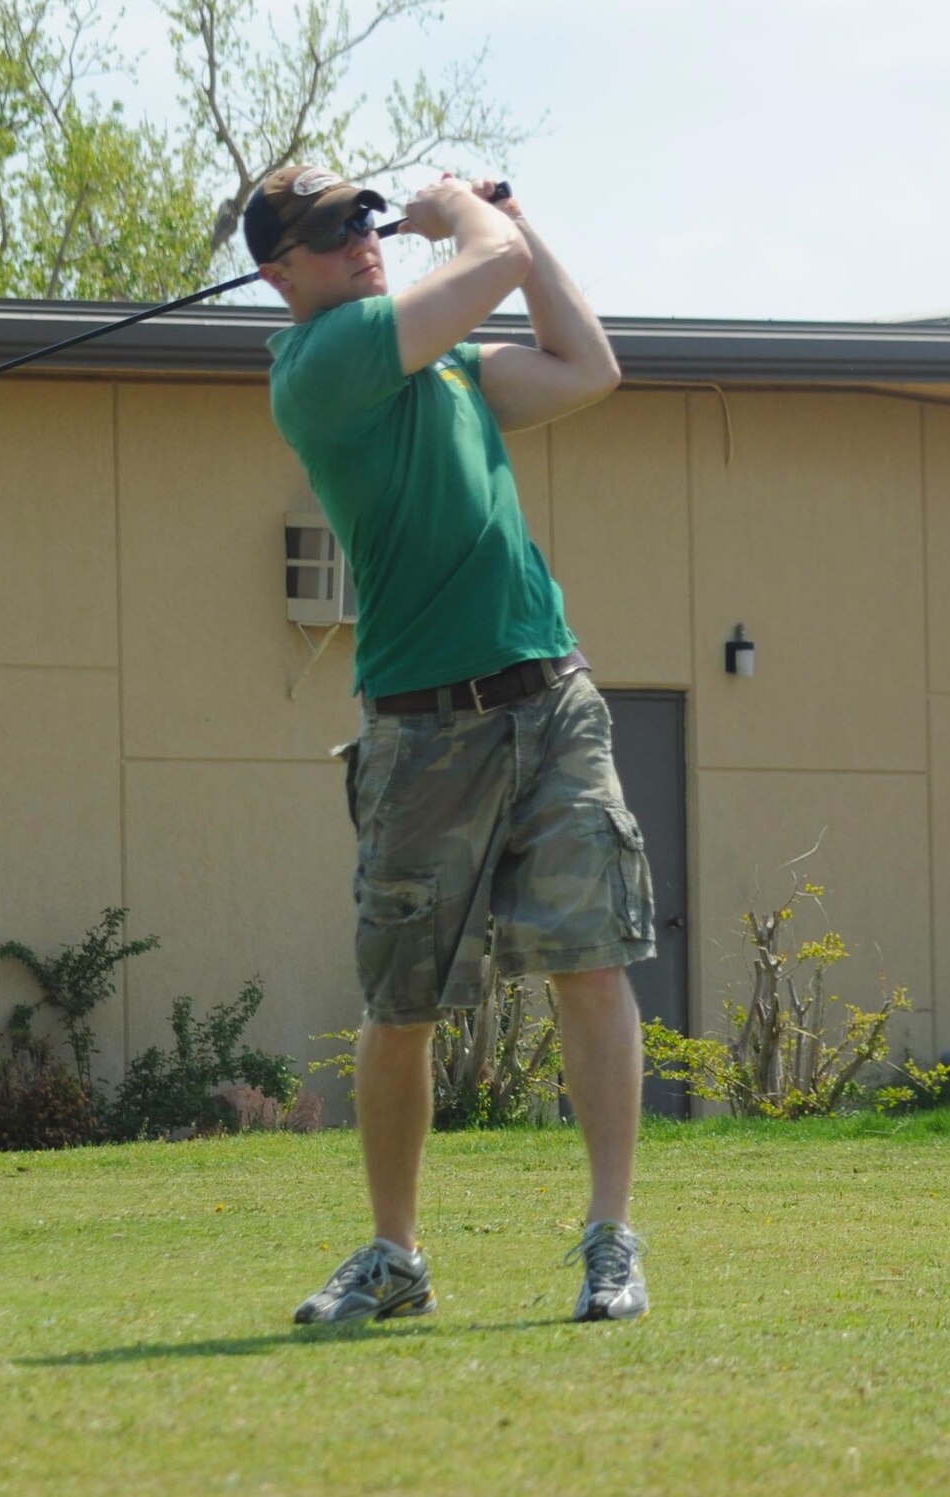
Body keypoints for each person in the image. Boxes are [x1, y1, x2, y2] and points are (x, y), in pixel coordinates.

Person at [248, 165, 655, 1325]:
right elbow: (490, 272)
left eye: (365, 219)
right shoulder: (322, 366)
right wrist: (459, 219)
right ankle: (395, 1257)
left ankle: (609, 1238)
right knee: (402, 1004)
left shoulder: (453, 367)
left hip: (550, 693)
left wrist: (519, 221)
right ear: (280, 274)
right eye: (333, 232)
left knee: (591, 962)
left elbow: (589, 367)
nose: (362, 240)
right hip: (423, 729)